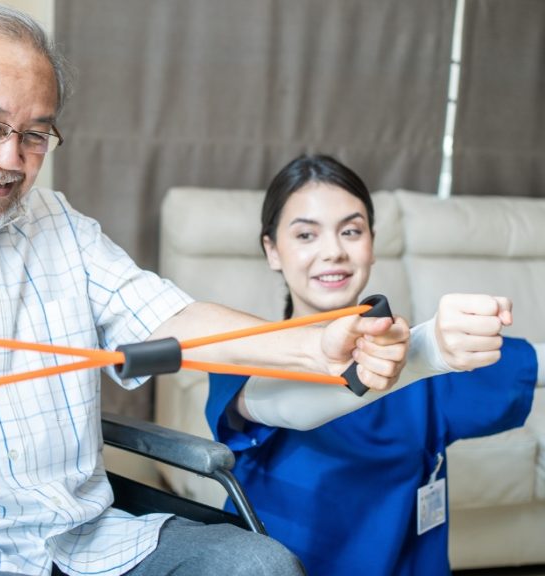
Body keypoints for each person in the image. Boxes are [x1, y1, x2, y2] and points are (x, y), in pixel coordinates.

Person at [0, 7, 413, 576]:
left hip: (83, 544)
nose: (10, 158)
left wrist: (316, 345)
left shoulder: (61, 226)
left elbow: (172, 319)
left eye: (35, 135)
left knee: (258, 565)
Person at [205, 154, 540, 575]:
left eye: (351, 231)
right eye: (306, 235)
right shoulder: (243, 356)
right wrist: (424, 350)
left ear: (372, 243)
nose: (333, 252)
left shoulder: (433, 371)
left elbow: (530, 364)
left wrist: (433, 348)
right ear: (272, 250)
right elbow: (285, 405)